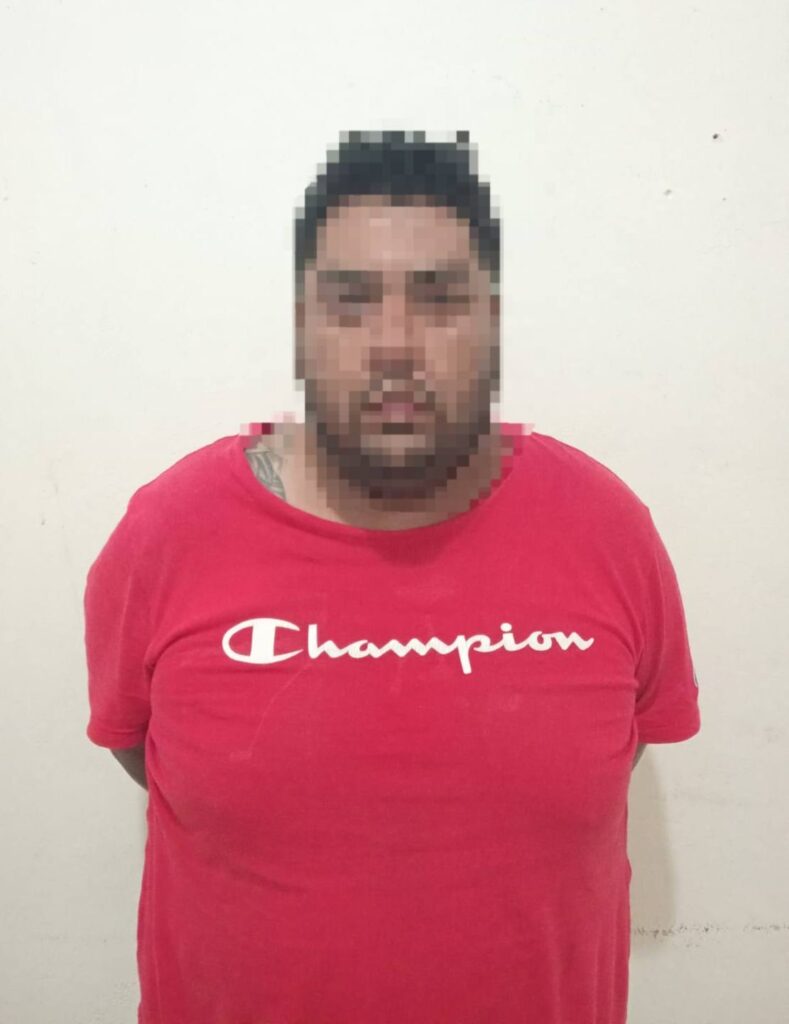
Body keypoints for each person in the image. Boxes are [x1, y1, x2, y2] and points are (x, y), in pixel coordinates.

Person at [83, 130, 701, 1024]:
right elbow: (147, 753)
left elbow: (615, 748)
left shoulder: (604, 529)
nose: (394, 346)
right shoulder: (170, 533)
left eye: (439, 299)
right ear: (302, 326)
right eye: (350, 302)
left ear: (491, 321)